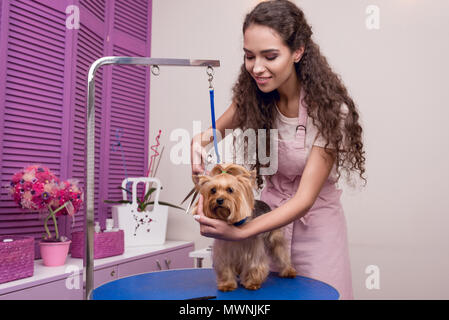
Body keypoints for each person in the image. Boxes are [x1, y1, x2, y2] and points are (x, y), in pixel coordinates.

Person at [190, 0, 366, 300]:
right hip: (266, 224)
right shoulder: (255, 97)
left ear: (297, 51)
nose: (257, 68)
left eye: (269, 56)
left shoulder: (331, 111)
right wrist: (198, 144)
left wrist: (243, 230)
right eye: (249, 56)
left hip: (316, 232)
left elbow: (304, 199)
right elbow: (209, 134)